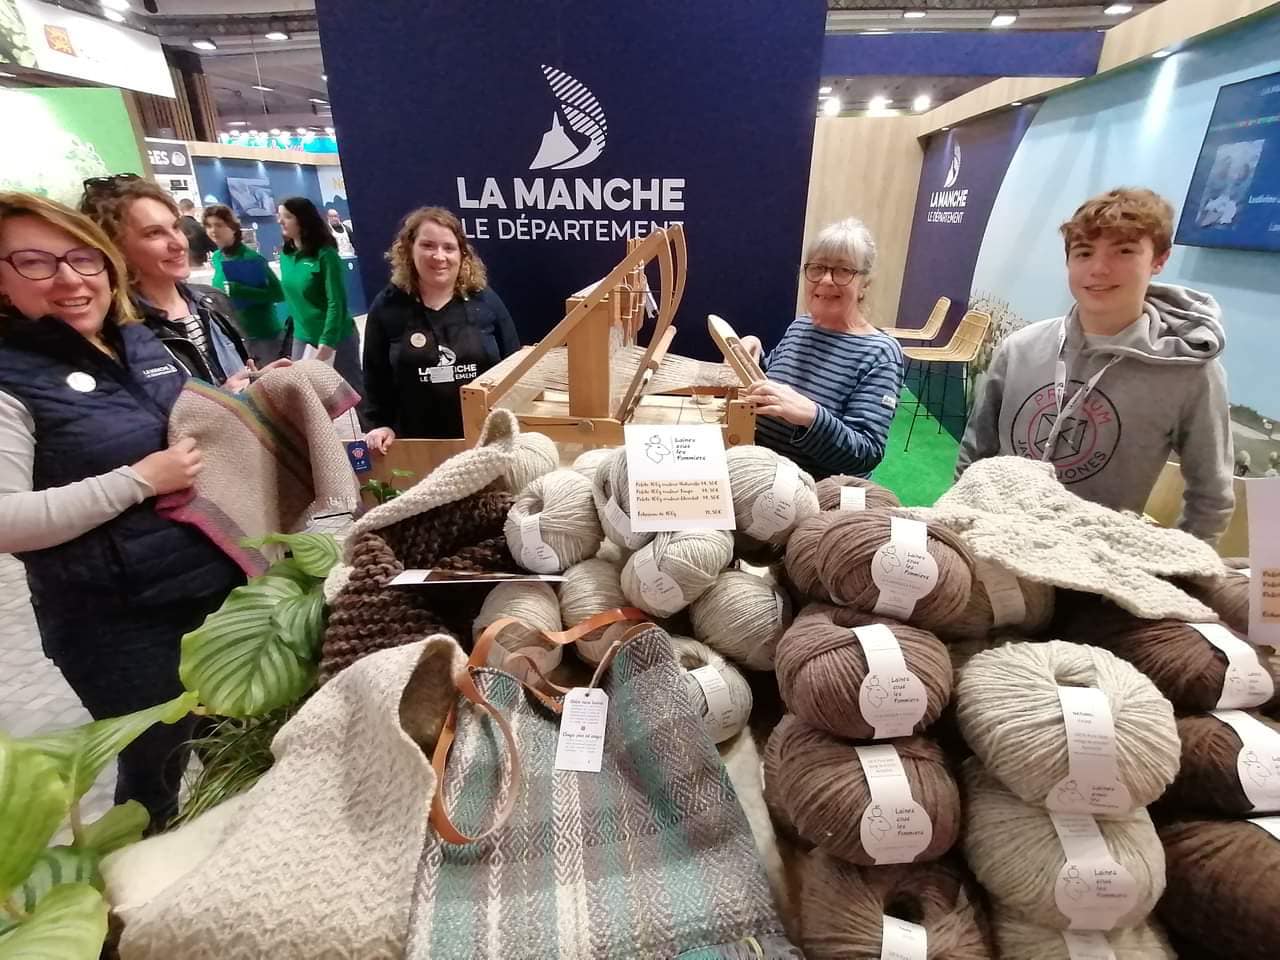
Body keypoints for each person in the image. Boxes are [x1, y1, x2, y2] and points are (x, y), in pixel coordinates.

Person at [0, 192, 244, 825]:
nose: (69, 279)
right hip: (118, 624)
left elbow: (177, 430)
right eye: (34, 262)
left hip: (208, 591)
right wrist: (136, 481)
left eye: (84, 259)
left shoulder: (135, 342)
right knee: (154, 775)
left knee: (237, 750)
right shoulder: (10, 378)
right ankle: (128, 918)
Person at [956, 187, 1233, 543]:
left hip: (1095, 569)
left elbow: (1211, 498)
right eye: (1084, 253)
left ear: (1159, 260)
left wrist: (1179, 573)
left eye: (1124, 251)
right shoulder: (1020, 349)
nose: (1099, 269)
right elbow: (975, 452)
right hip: (995, 545)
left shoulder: (1190, 372)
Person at [738, 218, 904, 480]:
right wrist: (755, 358)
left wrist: (811, 416)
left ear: (865, 284)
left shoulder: (881, 354)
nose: (826, 280)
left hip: (816, 495)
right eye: (817, 268)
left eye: (842, 270)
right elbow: (776, 392)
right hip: (758, 475)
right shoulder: (800, 326)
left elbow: (866, 454)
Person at [361, 206, 518, 448]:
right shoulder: (387, 305)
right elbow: (375, 375)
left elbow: (514, 365)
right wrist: (379, 424)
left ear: (462, 254)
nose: (439, 256)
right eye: (428, 245)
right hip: (415, 443)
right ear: (408, 250)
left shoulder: (485, 301)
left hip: (483, 441)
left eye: (449, 247)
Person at [80, 176, 256, 388]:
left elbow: (245, 373)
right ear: (114, 247)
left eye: (176, 227)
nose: (178, 244)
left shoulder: (212, 301)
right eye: (154, 233)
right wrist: (221, 402)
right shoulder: (111, 331)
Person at [277, 197, 364, 396]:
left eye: (287, 216)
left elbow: (337, 301)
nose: (280, 221)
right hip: (303, 337)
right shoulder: (286, 256)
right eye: (280, 216)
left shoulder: (326, 255)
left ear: (303, 220)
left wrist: (328, 340)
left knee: (353, 391)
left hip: (336, 336)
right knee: (305, 395)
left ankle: (373, 428)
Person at [204, 203, 287, 364]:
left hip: (262, 335)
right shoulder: (217, 257)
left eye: (219, 225)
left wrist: (242, 291)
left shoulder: (252, 259)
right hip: (235, 335)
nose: (213, 230)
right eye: (208, 226)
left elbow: (278, 294)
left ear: (233, 228)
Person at [178, 198, 216, 268]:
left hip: (181, 264)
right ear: (193, 209)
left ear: (180, 210)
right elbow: (213, 247)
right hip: (199, 264)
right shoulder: (199, 226)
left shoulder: (176, 227)